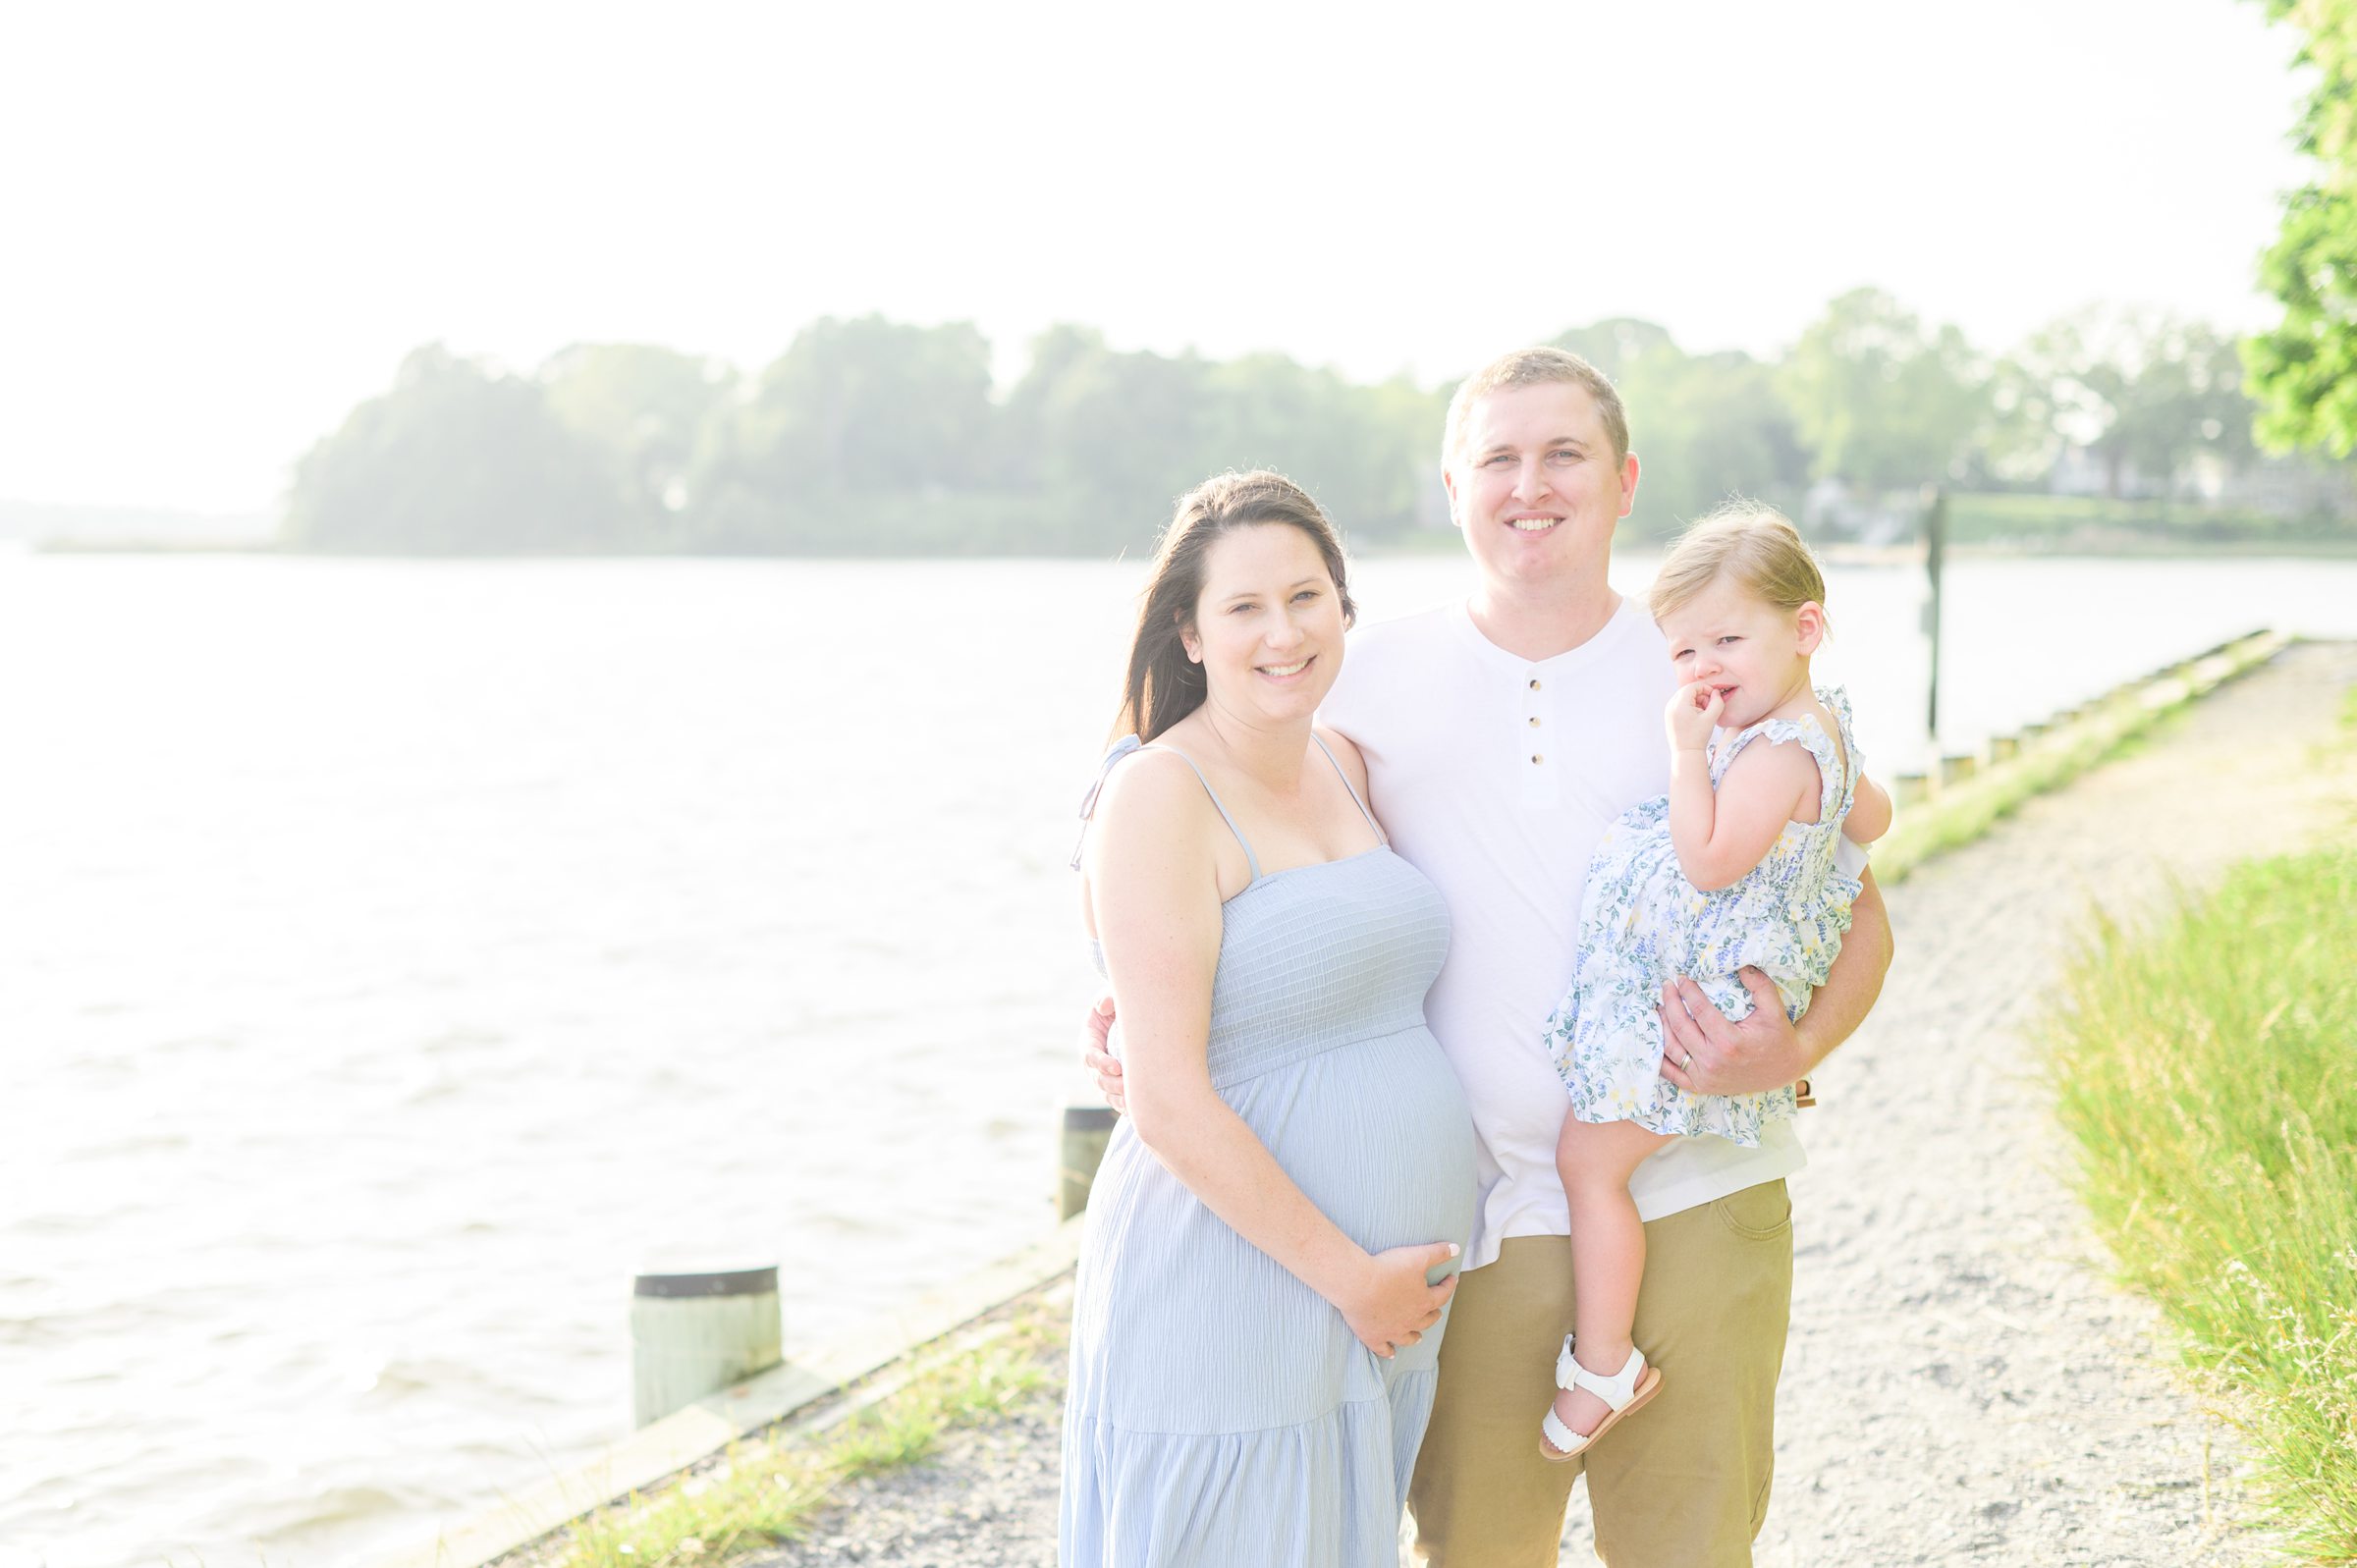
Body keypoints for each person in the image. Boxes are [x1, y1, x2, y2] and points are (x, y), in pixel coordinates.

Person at [1082, 348, 1893, 1567]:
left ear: (1623, 482)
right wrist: (1127, 1001)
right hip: (1475, 1220)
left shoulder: (1711, 665)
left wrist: (1799, 1043)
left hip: (1704, 1192)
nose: (1532, 485)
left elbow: (1862, 911)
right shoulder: (1367, 679)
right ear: (1452, 483)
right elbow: (1215, 813)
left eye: (1564, 453)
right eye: (1499, 458)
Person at [1061, 469, 1477, 1568]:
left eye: (1306, 596)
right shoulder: (1159, 793)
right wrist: (1354, 1281)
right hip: (1241, 1288)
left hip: (1372, 1311)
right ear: (1190, 636)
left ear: (1345, 607)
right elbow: (1165, 1094)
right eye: (1243, 607)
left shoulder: (1342, 762)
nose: (1282, 631)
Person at [1538, 506, 1893, 1462]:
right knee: (1599, 1162)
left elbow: (1708, 862)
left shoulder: (1773, 751)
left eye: (1728, 640)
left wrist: (1690, 754)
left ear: (1804, 629)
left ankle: (1604, 1361)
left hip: (1709, 1009)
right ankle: (1607, 1349)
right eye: (1684, 649)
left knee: (1588, 1164)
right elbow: (1877, 815)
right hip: (1719, 988)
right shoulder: (1820, 727)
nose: (1701, 670)